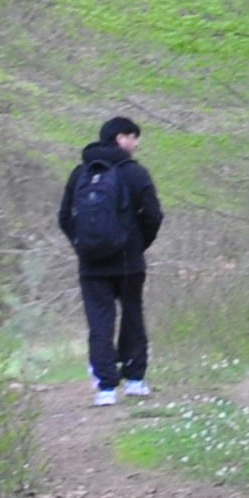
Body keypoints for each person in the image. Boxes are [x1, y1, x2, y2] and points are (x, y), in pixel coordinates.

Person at [55, 115, 164, 404]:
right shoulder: (135, 174)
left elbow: (65, 217)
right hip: (129, 261)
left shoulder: (80, 173)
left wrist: (82, 245)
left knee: (99, 321)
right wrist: (138, 243)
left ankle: (105, 388)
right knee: (132, 315)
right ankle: (135, 379)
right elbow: (153, 215)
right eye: (133, 137)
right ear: (120, 139)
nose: (136, 143)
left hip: (91, 263)